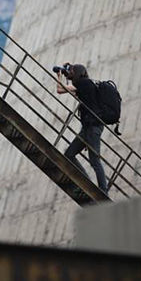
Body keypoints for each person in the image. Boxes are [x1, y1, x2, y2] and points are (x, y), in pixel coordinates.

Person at [55, 62, 107, 193]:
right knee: (69, 155)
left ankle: (103, 191)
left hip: (93, 128)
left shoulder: (83, 84)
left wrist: (59, 76)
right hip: (88, 128)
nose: (70, 74)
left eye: (72, 71)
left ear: (77, 73)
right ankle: (86, 183)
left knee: (94, 160)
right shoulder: (87, 85)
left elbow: (60, 90)